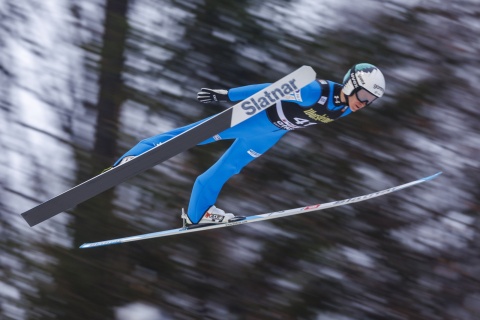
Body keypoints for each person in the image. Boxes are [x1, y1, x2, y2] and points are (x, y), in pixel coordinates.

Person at [113, 63, 386, 226]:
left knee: (227, 169)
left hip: (270, 135)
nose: (364, 102)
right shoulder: (315, 90)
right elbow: (271, 89)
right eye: (363, 94)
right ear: (351, 84)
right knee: (188, 137)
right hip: (254, 120)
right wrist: (227, 95)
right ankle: (133, 157)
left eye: (370, 100)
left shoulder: (347, 109)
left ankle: (198, 214)